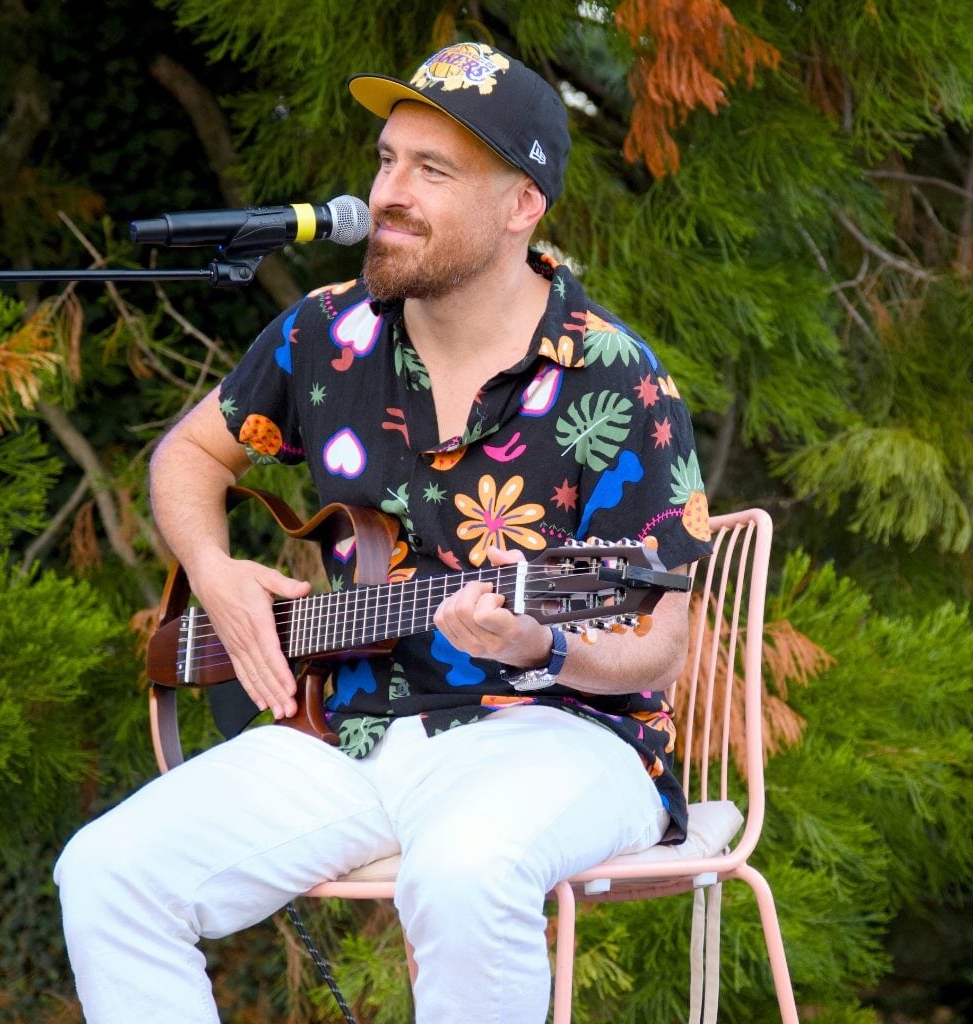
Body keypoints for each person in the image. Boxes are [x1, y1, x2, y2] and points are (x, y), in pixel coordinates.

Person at [55, 41, 712, 1024]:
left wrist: (545, 643)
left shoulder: (614, 378)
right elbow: (187, 458)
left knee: (460, 871)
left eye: (432, 170)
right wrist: (214, 568)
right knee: (107, 871)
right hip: (348, 730)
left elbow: (660, 638)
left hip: (560, 736)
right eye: (387, 158)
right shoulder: (325, 334)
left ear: (521, 204)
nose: (388, 193)